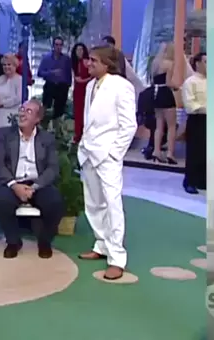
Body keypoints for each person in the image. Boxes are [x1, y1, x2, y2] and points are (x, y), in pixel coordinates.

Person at [78, 45, 137, 280]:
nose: (88, 64)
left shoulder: (121, 86)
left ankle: (117, 258)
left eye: (93, 60)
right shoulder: (90, 85)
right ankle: (101, 244)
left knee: (112, 205)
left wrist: (114, 153)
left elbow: (129, 125)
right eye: (89, 59)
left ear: (107, 64)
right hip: (89, 152)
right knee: (93, 203)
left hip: (108, 155)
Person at [0, 99, 64, 258]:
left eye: (28, 111)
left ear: (37, 119)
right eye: (22, 109)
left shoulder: (47, 139)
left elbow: (53, 168)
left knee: (55, 203)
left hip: (37, 184)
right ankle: (13, 242)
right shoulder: (5, 134)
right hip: (11, 182)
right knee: (2, 201)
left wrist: (34, 187)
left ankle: (44, 241)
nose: (22, 114)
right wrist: (14, 185)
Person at [181, 52, 207, 194]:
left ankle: (203, 180)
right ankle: (189, 181)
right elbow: (190, 105)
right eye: (206, 62)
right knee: (194, 151)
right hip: (197, 119)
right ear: (197, 63)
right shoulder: (190, 82)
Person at [149, 43, 178, 164]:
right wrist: (177, 87)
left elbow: (152, 81)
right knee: (171, 126)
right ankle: (170, 153)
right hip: (166, 94)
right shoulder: (169, 63)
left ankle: (156, 151)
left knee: (159, 125)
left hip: (155, 94)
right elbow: (168, 82)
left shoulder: (154, 63)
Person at [37, 36, 72, 120]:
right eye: (56, 44)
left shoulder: (66, 59)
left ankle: (57, 125)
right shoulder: (46, 58)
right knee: (45, 106)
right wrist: (51, 73)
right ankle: (40, 123)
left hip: (62, 87)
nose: (58, 47)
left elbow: (69, 74)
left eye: (60, 45)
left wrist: (68, 85)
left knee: (59, 111)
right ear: (53, 45)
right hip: (50, 85)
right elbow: (39, 73)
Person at [71, 43, 91, 143]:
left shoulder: (87, 62)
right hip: (78, 91)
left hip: (87, 90)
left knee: (87, 112)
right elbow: (77, 79)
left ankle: (86, 135)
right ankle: (78, 135)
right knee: (78, 114)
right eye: (77, 50)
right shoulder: (74, 64)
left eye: (81, 50)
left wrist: (88, 80)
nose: (79, 52)